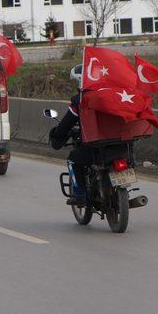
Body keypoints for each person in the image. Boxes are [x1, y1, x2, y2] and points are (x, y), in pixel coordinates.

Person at [48, 64, 94, 208]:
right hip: (121, 145)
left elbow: (66, 124)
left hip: (95, 147)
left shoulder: (79, 101)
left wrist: (57, 135)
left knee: (73, 160)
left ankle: (80, 196)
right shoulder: (114, 96)